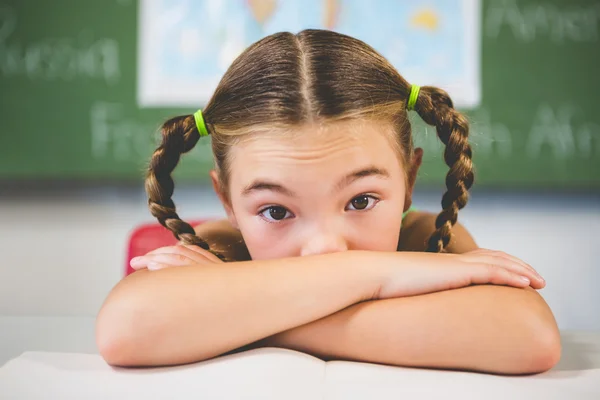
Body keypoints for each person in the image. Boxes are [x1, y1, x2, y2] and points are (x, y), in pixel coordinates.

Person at [96, 29, 560, 374]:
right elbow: (124, 328)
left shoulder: (426, 241)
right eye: (276, 211)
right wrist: (376, 275)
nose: (325, 249)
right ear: (228, 203)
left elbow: (531, 337)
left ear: (410, 178)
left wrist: (257, 319)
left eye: (360, 201)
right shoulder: (215, 249)